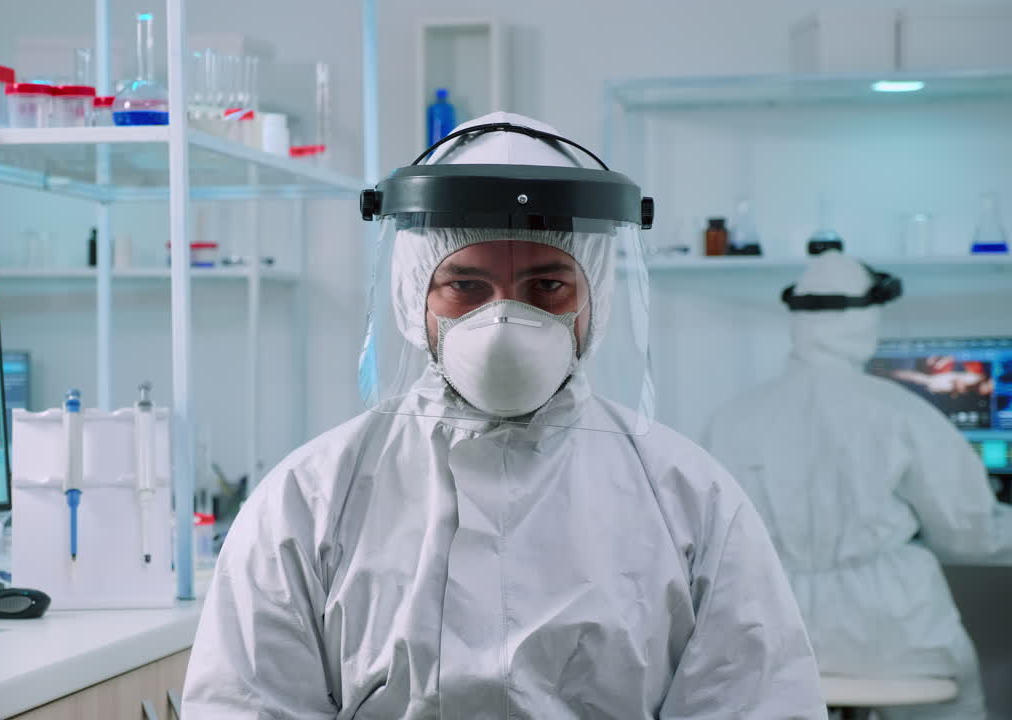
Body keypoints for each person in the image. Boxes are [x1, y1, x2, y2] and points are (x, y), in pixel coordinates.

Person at [183, 113, 824, 719]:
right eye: (465, 286)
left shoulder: (688, 499)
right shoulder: (311, 501)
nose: (504, 326)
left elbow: (755, 700)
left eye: (547, 287)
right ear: (415, 297)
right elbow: (247, 704)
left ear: (593, 295)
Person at [704, 250, 1012, 719]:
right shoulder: (902, 413)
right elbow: (969, 534)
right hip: (892, 629)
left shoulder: (730, 419)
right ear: (867, 320)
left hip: (774, 630)